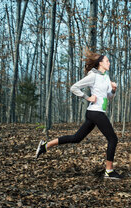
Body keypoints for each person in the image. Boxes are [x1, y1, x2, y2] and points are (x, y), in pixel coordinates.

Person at [35, 49, 122, 179]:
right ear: (100, 63)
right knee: (113, 139)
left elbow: (108, 97)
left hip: (96, 112)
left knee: (77, 138)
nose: (109, 63)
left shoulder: (106, 77)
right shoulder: (93, 76)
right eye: (107, 61)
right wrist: (87, 97)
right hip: (95, 112)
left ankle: (45, 146)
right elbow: (74, 87)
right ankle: (109, 171)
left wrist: (113, 90)